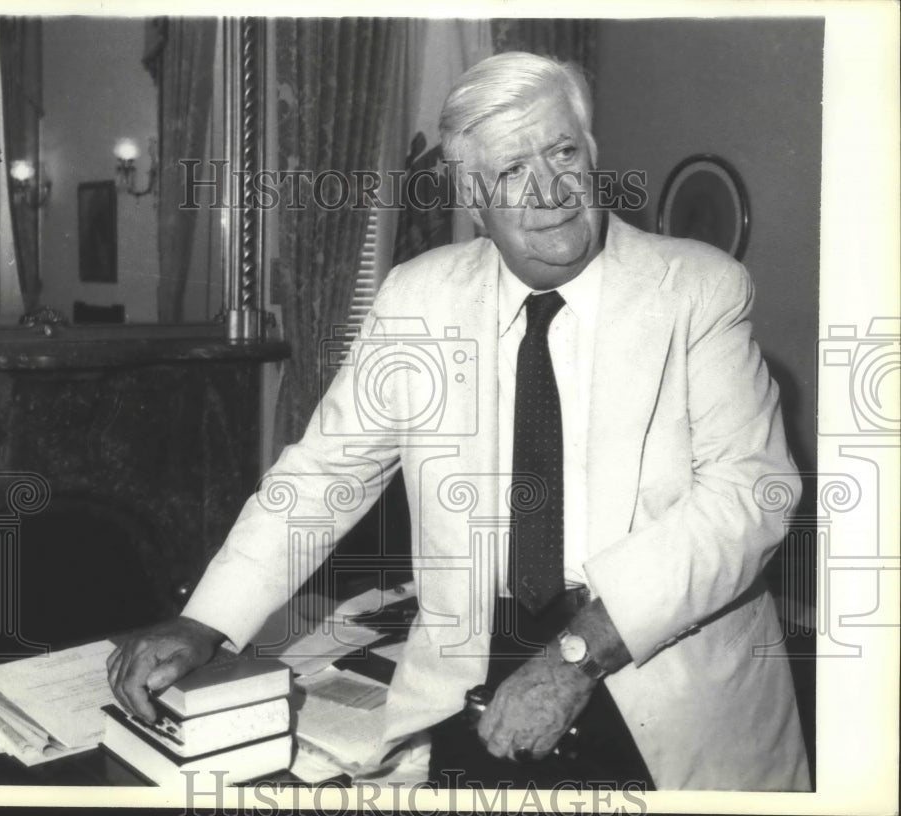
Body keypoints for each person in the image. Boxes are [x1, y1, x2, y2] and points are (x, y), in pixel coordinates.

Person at [108, 52, 810, 791]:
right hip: (473, 677)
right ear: (473, 198)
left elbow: (749, 499)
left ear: (592, 153)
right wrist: (206, 621)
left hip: (661, 676)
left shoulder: (700, 288)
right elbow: (324, 475)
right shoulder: (418, 299)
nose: (551, 191)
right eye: (511, 171)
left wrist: (578, 653)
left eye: (563, 151)